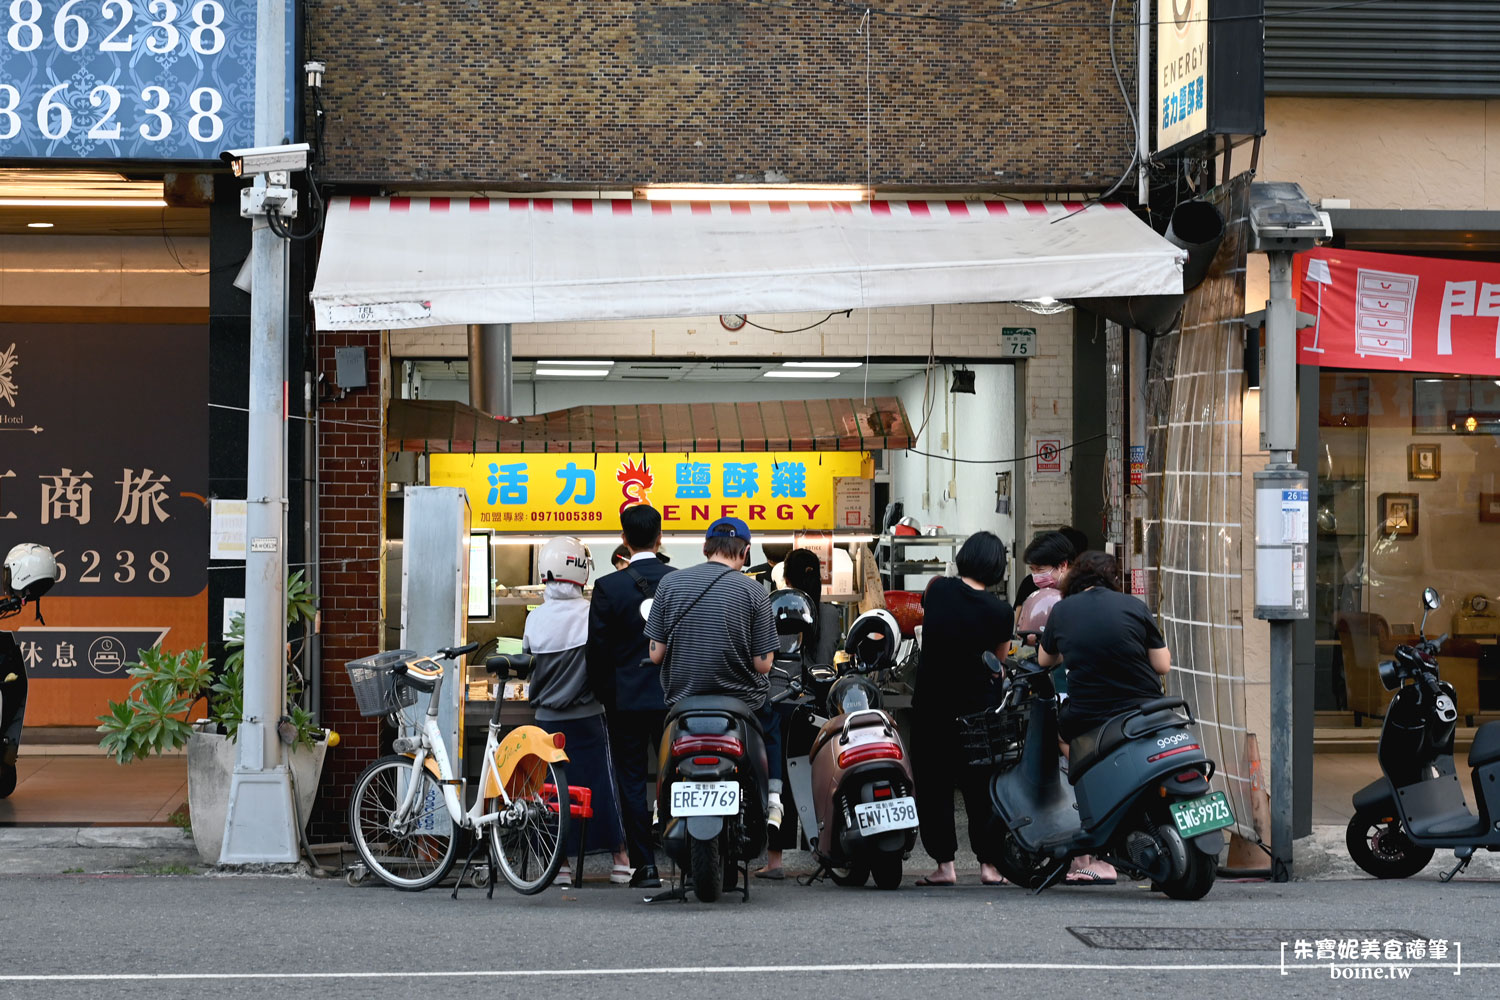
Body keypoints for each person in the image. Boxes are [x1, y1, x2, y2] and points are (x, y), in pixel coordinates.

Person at [644, 517, 783, 853]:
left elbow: (656, 654)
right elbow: (763, 664)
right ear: (746, 552)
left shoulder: (670, 585)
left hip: (684, 703)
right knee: (773, 726)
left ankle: (660, 806)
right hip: (741, 706)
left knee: (664, 739)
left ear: (704, 548)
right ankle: (774, 802)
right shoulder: (754, 591)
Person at [1038, 549, 1171, 884]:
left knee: (1061, 736)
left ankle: (1094, 796)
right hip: (1146, 709)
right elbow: (1162, 665)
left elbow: (1043, 660)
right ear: (1112, 577)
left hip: (1091, 714)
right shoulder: (1133, 606)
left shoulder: (1062, 610)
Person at [523, 536, 630, 887]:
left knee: (552, 793)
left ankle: (561, 866)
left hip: (545, 724)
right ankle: (620, 861)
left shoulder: (534, 621)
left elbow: (527, 668)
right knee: (602, 788)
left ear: (545, 575)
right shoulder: (591, 615)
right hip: (588, 718)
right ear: (582, 575)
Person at [910, 531, 1014, 887]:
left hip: (932, 707)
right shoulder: (1002, 612)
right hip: (979, 713)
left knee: (933, 785)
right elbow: (997, 662)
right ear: (999, 567)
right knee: (981, 787)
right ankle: (989, 866)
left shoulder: (939, 591)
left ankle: (945, 866)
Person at [586, 505, 675, 889]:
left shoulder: (608, 587)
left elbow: (598, 654)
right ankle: (685, 858)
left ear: (624, 539)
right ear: (660, 539)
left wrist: (609, 698)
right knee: (676, 778)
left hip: (626, 702)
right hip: (673, 698)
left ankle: (646, 867)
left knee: (632, 784)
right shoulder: (679, 582)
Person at [782, 548, 841, 670]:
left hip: (788, 685)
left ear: (787, 582)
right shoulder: (831, 614)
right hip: (822, 684)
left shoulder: (782, 614)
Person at [1013, 526, 1087, 608]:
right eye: (1032, 570)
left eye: (1040, 569)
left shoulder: (1085, 592)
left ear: (1062, 565)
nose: (1036, 577)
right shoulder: (1031, 587)